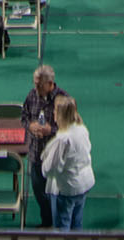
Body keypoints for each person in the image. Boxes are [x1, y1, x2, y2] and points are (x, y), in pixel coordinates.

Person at [19, 64, 69, 226]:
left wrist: (51, 130)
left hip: (56, 158)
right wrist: (31, 126)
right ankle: (47, 223)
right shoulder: (32, 95)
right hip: (35, 154)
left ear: (49, 84)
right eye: (34, 84)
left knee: (57, 195)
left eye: (39, 85)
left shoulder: (63, 100)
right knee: (40, 193)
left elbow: (70, 126)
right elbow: (24, 117)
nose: (35, 88)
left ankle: (58, 225)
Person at [40, 94, 93, 231]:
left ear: (60, 114)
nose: (53, 113)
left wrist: (45, 159)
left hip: (66, 190)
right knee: (77, 225)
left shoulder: (63, 140)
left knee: (61, 232)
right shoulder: (82, 130)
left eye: (55, 111)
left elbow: (49, 169)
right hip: (83, 186)